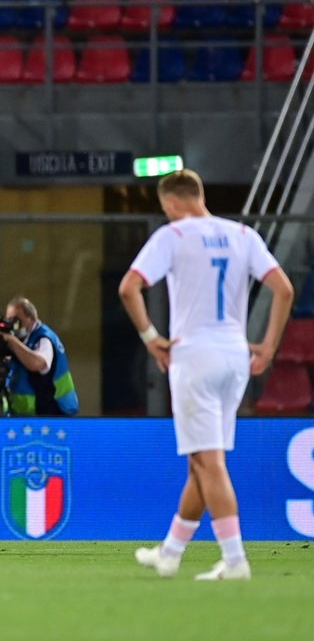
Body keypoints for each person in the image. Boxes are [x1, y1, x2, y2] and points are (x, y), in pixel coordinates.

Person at [119, 168, 294, 581]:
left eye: (166, 208)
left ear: (174, 202)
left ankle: (235, 560)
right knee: (203, 459)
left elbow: (130, 287)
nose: (167, 215)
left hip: (194, 354)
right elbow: (283, 289)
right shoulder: (243, 235)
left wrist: (150, 337)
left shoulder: (173, 236)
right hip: (234, 355)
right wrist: (267, 346)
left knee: (208, 460)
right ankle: (171, 552)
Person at [0, 297, 78, 417]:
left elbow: (37, 364)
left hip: (50, 415)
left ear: (31, 318)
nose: (14, 326)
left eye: (16, 320)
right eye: (9, 320)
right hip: (22, 417)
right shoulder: (21, 339)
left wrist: (12, 341)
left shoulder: (43, 338)